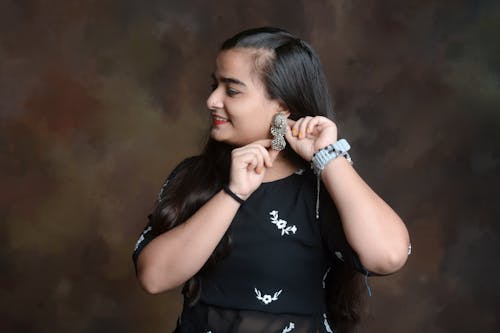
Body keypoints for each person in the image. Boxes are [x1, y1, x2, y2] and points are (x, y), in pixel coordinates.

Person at [132, 27, 411, 333]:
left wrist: (328, 157)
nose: (212, 100)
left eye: (232, 90)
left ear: (282, 107)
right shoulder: (195, 176)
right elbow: (153, 278)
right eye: (215, 85)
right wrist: (233, 193)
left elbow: (389, 256)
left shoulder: (320, 188)